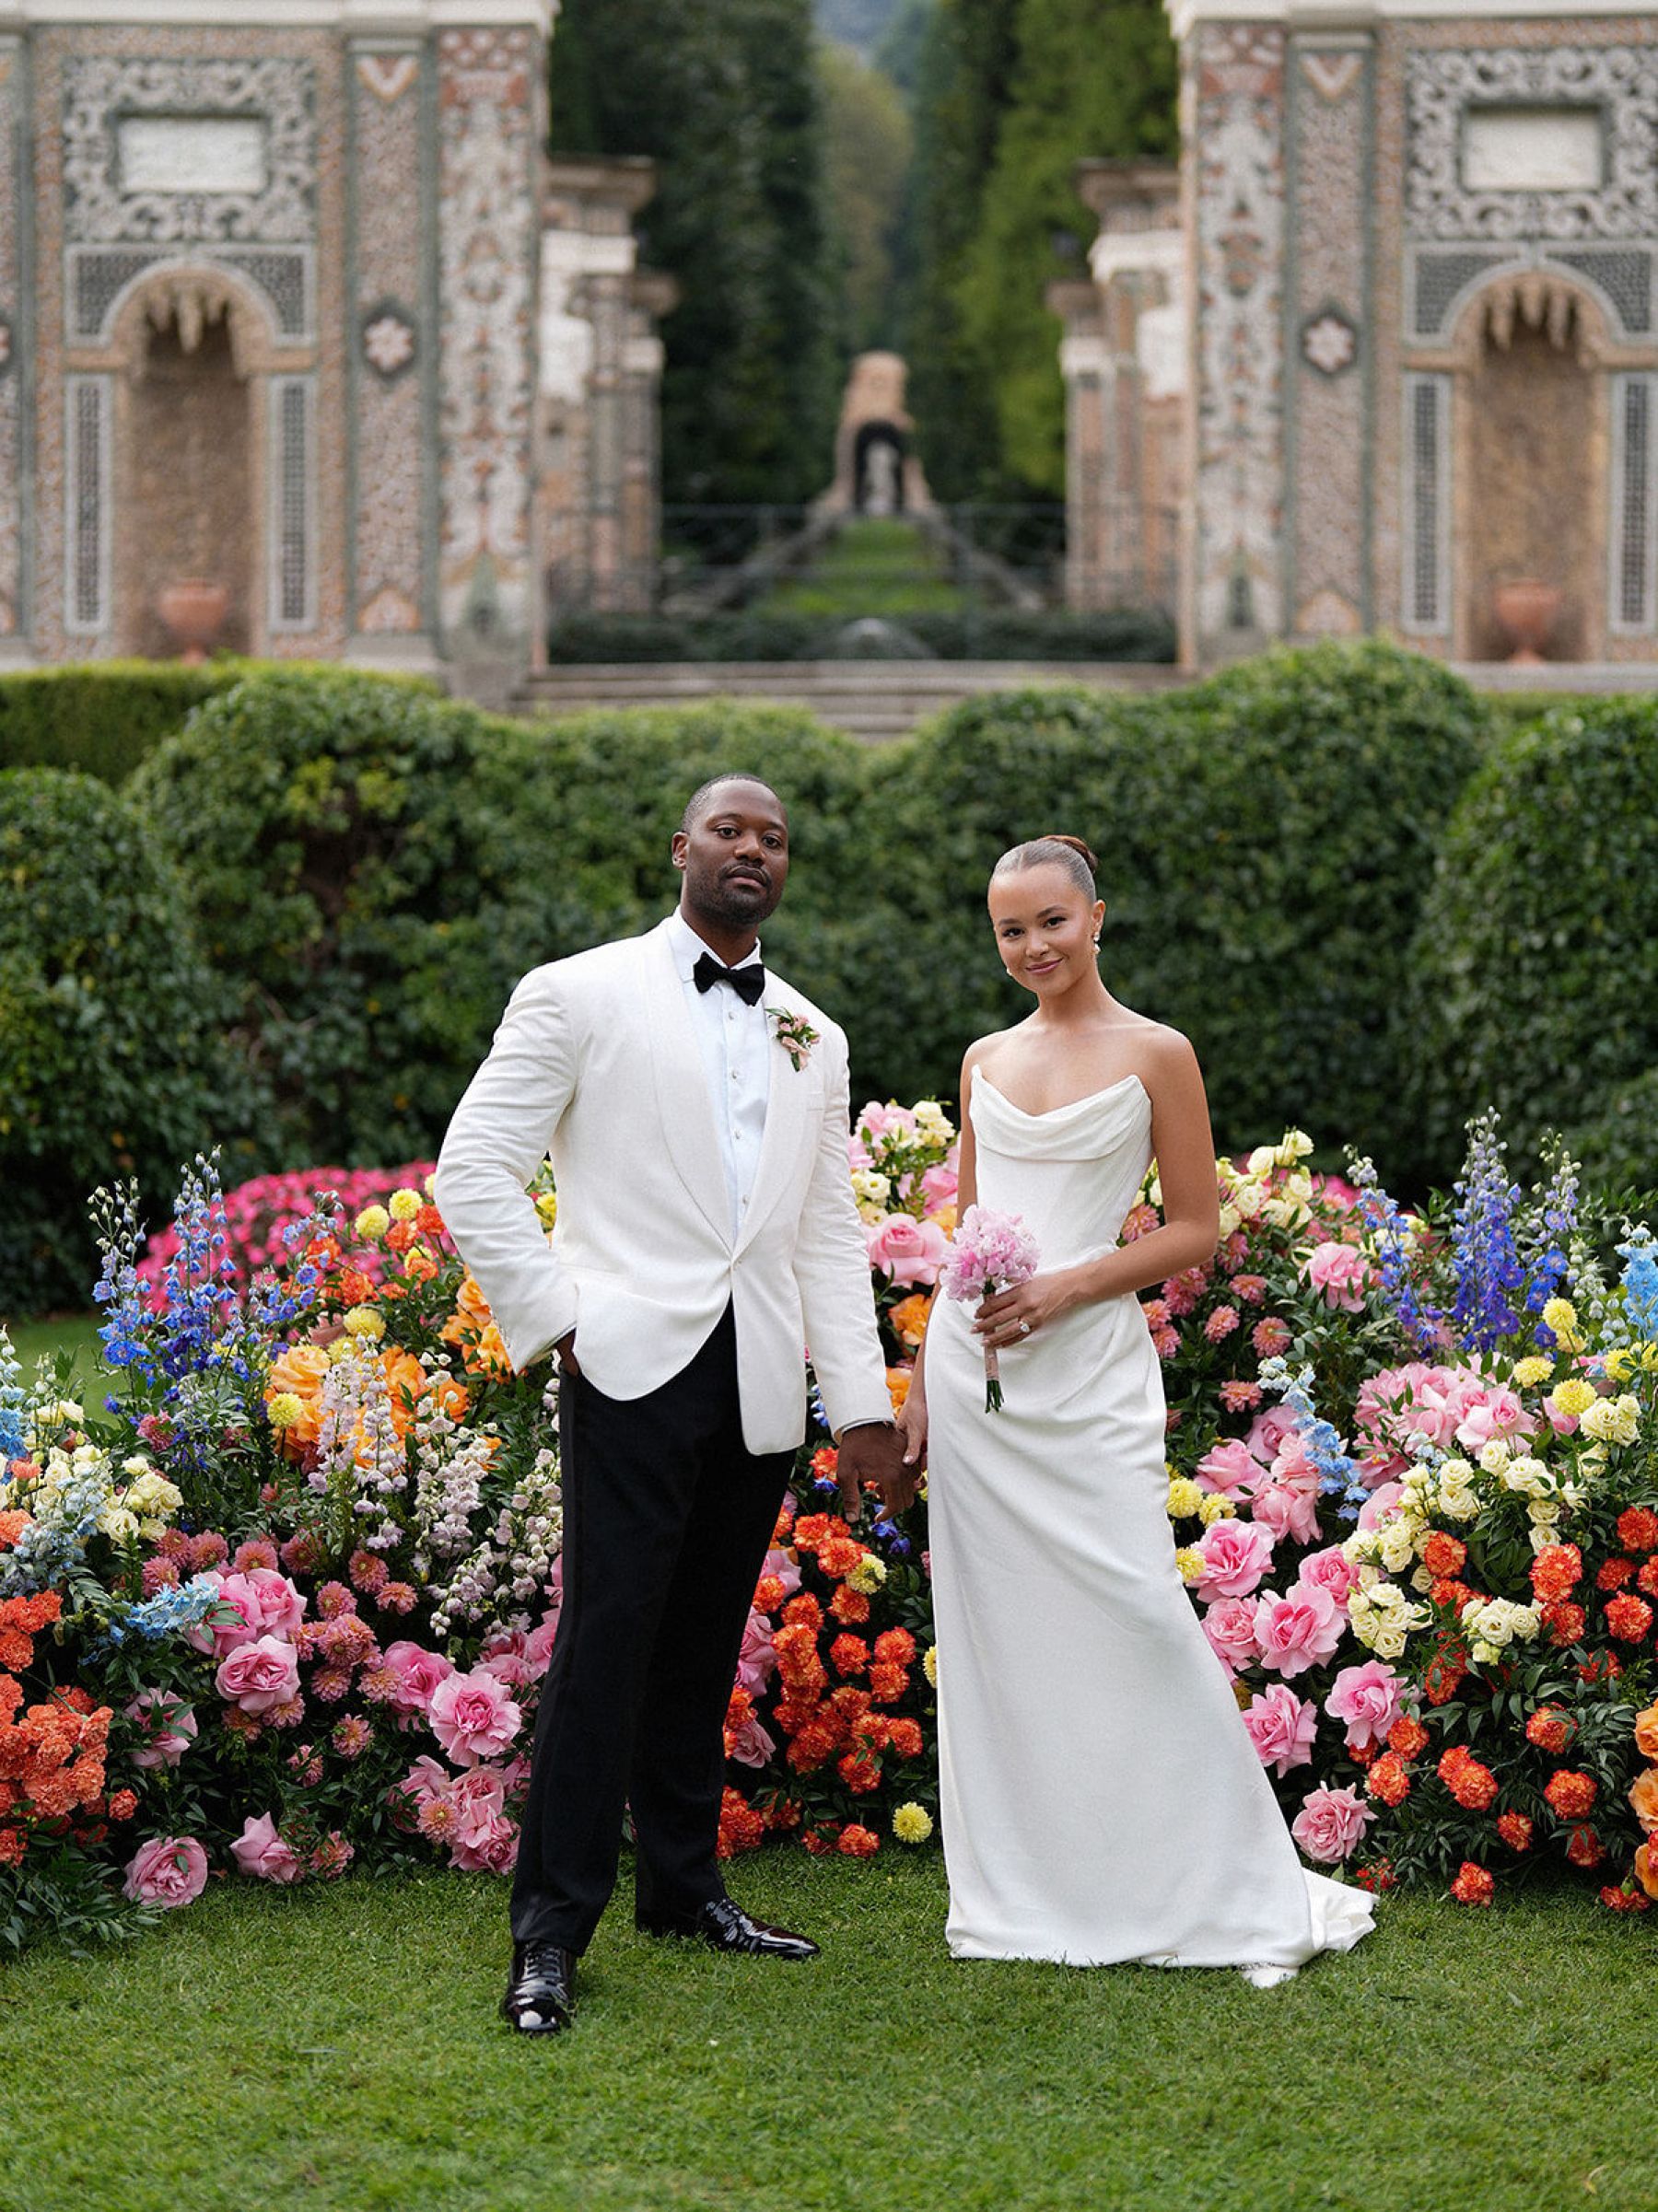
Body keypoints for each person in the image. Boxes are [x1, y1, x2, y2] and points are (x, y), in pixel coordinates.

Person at [435, 774, 911, 2034]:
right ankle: (549, 1933)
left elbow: (822, 1227)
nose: (752, 848)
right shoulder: (576, 992)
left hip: (756, 1382)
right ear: (679, 849)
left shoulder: (812, 1028)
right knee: (604, 1647)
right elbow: (472, 1168)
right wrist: (562, 1320)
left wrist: (859, 1402)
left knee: (704, 1646)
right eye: (729, 830)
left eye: (774, 837)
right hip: (625, 1364)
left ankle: (684, 1889)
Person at [896, 834, 1374, 1982]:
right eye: (1010, 928)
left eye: (1051, 921)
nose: (1031, 946)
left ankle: (1199, 1875)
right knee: (999, 1632)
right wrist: (921, 1378)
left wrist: (1066, 1282)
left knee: (1133, 1607)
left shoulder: (1160, 1052)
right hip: (983, 1382)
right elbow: (972, 1230)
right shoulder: (981, 1057)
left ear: (1097, 916)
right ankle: (1038, 1885)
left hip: (1092, 1374)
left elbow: (1195, 1227)